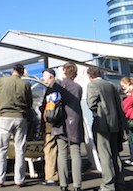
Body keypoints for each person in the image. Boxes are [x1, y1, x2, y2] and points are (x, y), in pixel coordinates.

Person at [0, 63, 33, 188]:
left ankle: (0, 179)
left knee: (2, 149)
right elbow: (30, 103)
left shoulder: (2, 81)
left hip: (5, 118)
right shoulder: (26, 84)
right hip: (20, 118)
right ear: (22, 72)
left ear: (13, 71)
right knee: (20, 150)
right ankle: (19, 180)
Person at [86, 66, 125, 191]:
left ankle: (108, 184)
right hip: (114, 123)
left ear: (89, 75)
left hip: (102, 123)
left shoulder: (93, 85)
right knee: (115, 154)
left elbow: (91, 104)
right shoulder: (111, 85)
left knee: (104, 155)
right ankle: (119, 180)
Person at [56, 62, 84, 191]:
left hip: (60, 122)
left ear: (64, 71)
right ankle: (77, 185)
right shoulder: (78, 88)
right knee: (75, 153)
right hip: (75, 121)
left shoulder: (59, 86)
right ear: (75, 73)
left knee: (62, 153)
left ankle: (63, 184)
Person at [39, 68, 60, 186]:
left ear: (51, 76)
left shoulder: (53, 89)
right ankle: (52, 175)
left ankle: (51, 177)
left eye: (44, 76)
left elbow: (51, 109)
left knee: (50, 149)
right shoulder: (56, 87)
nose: (43, 79)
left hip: (50, 125)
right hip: (54, 125)